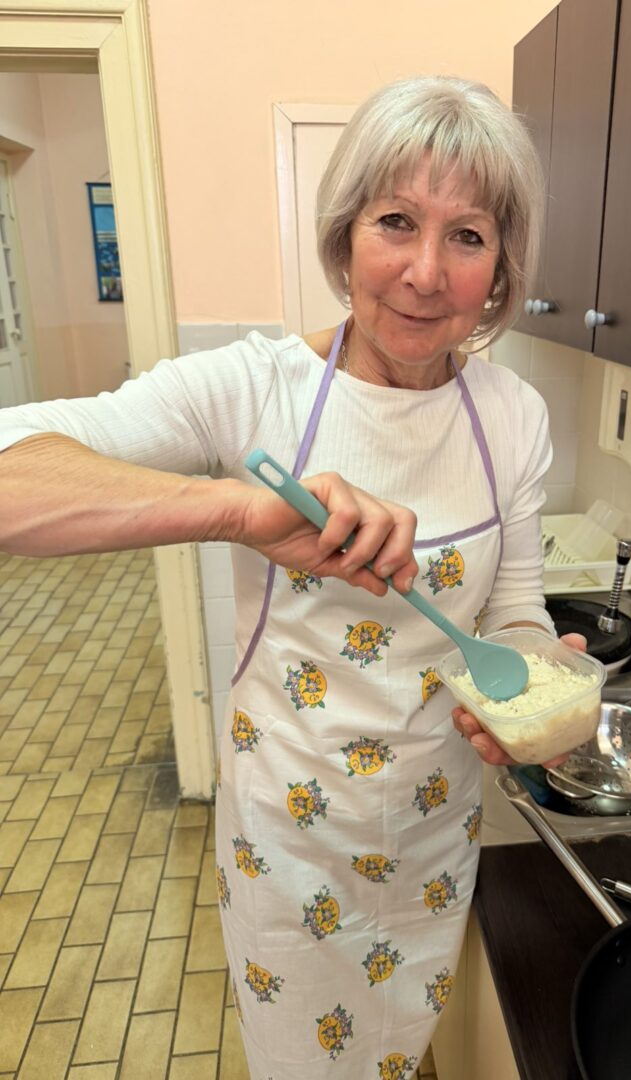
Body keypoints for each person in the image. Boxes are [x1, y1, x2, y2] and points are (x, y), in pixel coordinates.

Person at [0, 75, 584, 1079]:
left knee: (397, 1053)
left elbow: (515, 606)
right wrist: (237, 511)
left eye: (467, 236)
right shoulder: (254, 389)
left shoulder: (513, 415)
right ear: (344, 235)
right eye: (395, 221)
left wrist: (532, 683)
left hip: (434, 833)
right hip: (290, 843)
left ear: (499, 270)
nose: (426, 272)